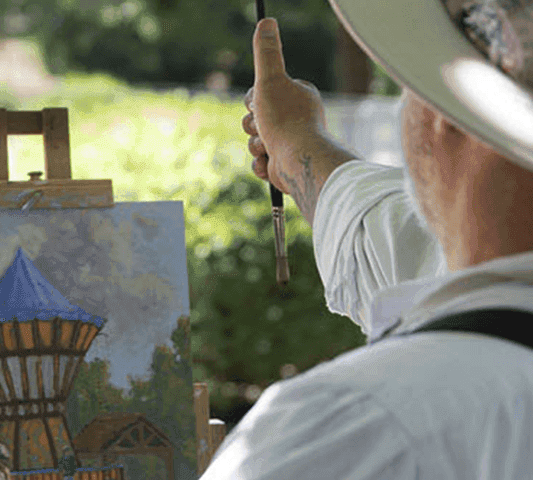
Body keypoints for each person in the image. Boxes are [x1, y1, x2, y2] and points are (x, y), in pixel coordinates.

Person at [201, 0, 533, 477]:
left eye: (414, 87)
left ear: (447, 114)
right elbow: (401, 246)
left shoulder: (348, 430)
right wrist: (296, 144)